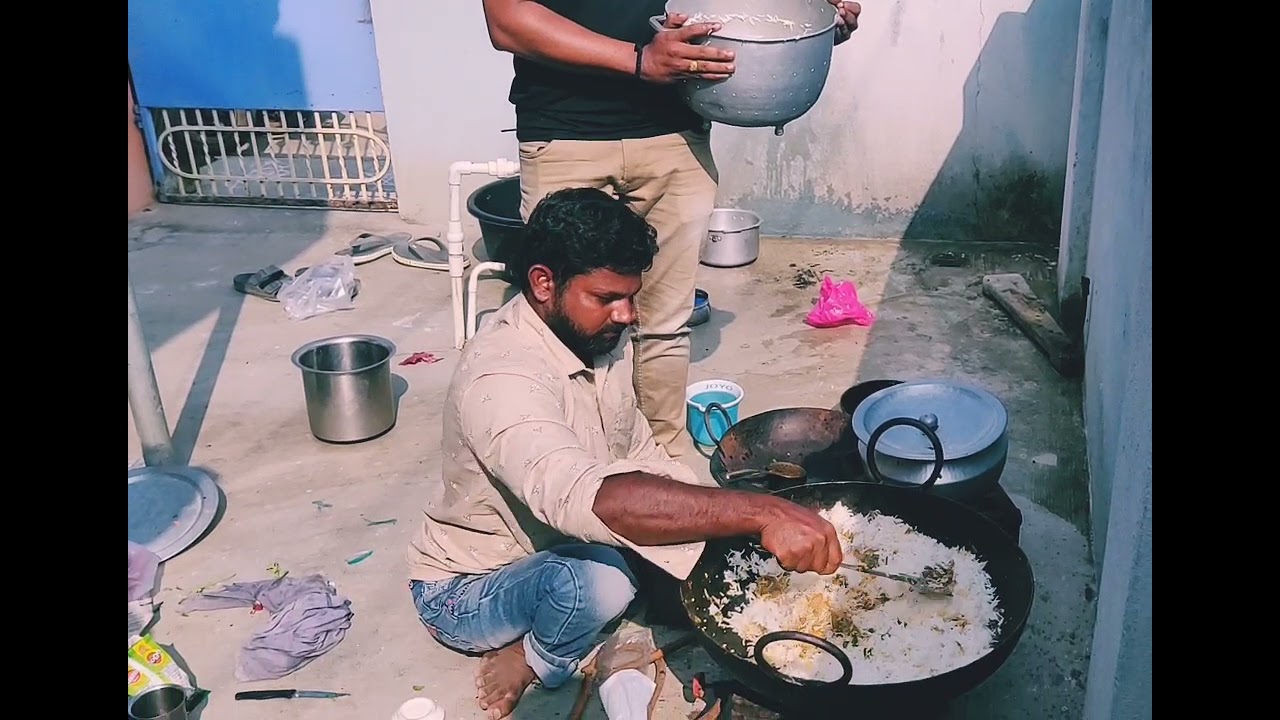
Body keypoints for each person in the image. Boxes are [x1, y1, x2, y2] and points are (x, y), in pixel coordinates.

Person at [406, 188, 844, 720]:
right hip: (472, 585)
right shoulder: (500, 377)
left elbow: (638, 451)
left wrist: (731, 520)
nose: (628, 314)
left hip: (569, 539)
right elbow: (582, 497)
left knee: (720, 558)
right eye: (607, 297)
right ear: (543, 283)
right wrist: (762, 512)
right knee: (602, 582)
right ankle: (533, 656)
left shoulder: (595, 336)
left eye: (632, 296)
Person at [480, 0, 863, 459]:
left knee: (664, 324)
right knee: (563, 324)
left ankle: (661, 461)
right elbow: (508, 21)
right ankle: (568, 464)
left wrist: (815, 23)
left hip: (675, 135)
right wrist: (639, 60)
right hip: (566, 135)